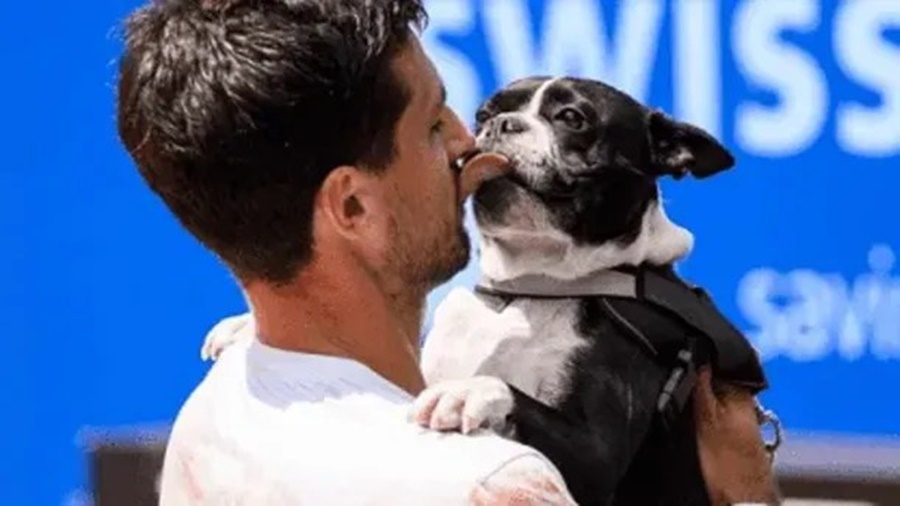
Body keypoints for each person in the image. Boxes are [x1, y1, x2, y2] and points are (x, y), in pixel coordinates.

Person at [116, 0, 780, 504]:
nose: (472, 140)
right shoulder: (491, 486)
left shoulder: (212, 413)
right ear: (352, 207)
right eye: (436, 124)